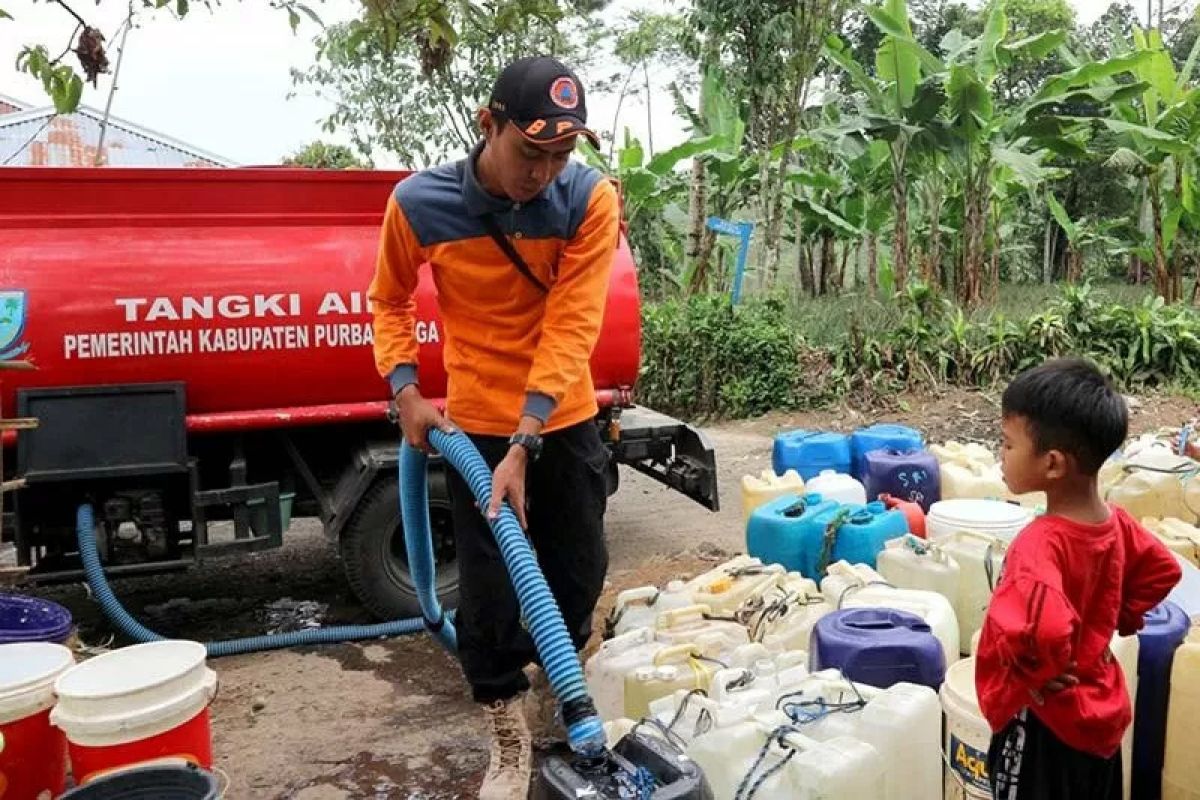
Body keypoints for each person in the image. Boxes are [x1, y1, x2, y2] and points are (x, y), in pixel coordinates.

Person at [368, 55, 618, 799]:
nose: (543, 172)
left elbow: (574, 324)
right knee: (488, 591)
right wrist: (407, 389)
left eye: (561, 155)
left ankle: (561, 673)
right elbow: (388, 301)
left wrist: (529, 435)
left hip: (561, 417)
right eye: (529, 151)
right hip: (475, 424)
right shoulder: (418, 204)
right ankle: (506, 732)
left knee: (577, 572)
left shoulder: (589, 200)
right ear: (489, 124)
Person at [975, 357, 1182, 800]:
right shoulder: (1117, 524)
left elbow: (1043, 626)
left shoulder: (1039, 544)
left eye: (1007, 445)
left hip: (1045, 723)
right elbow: (1164, 569)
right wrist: (1118, 617)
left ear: (1052, 464)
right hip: (1100, 712)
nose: (1001, 456)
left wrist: (1038, 669)